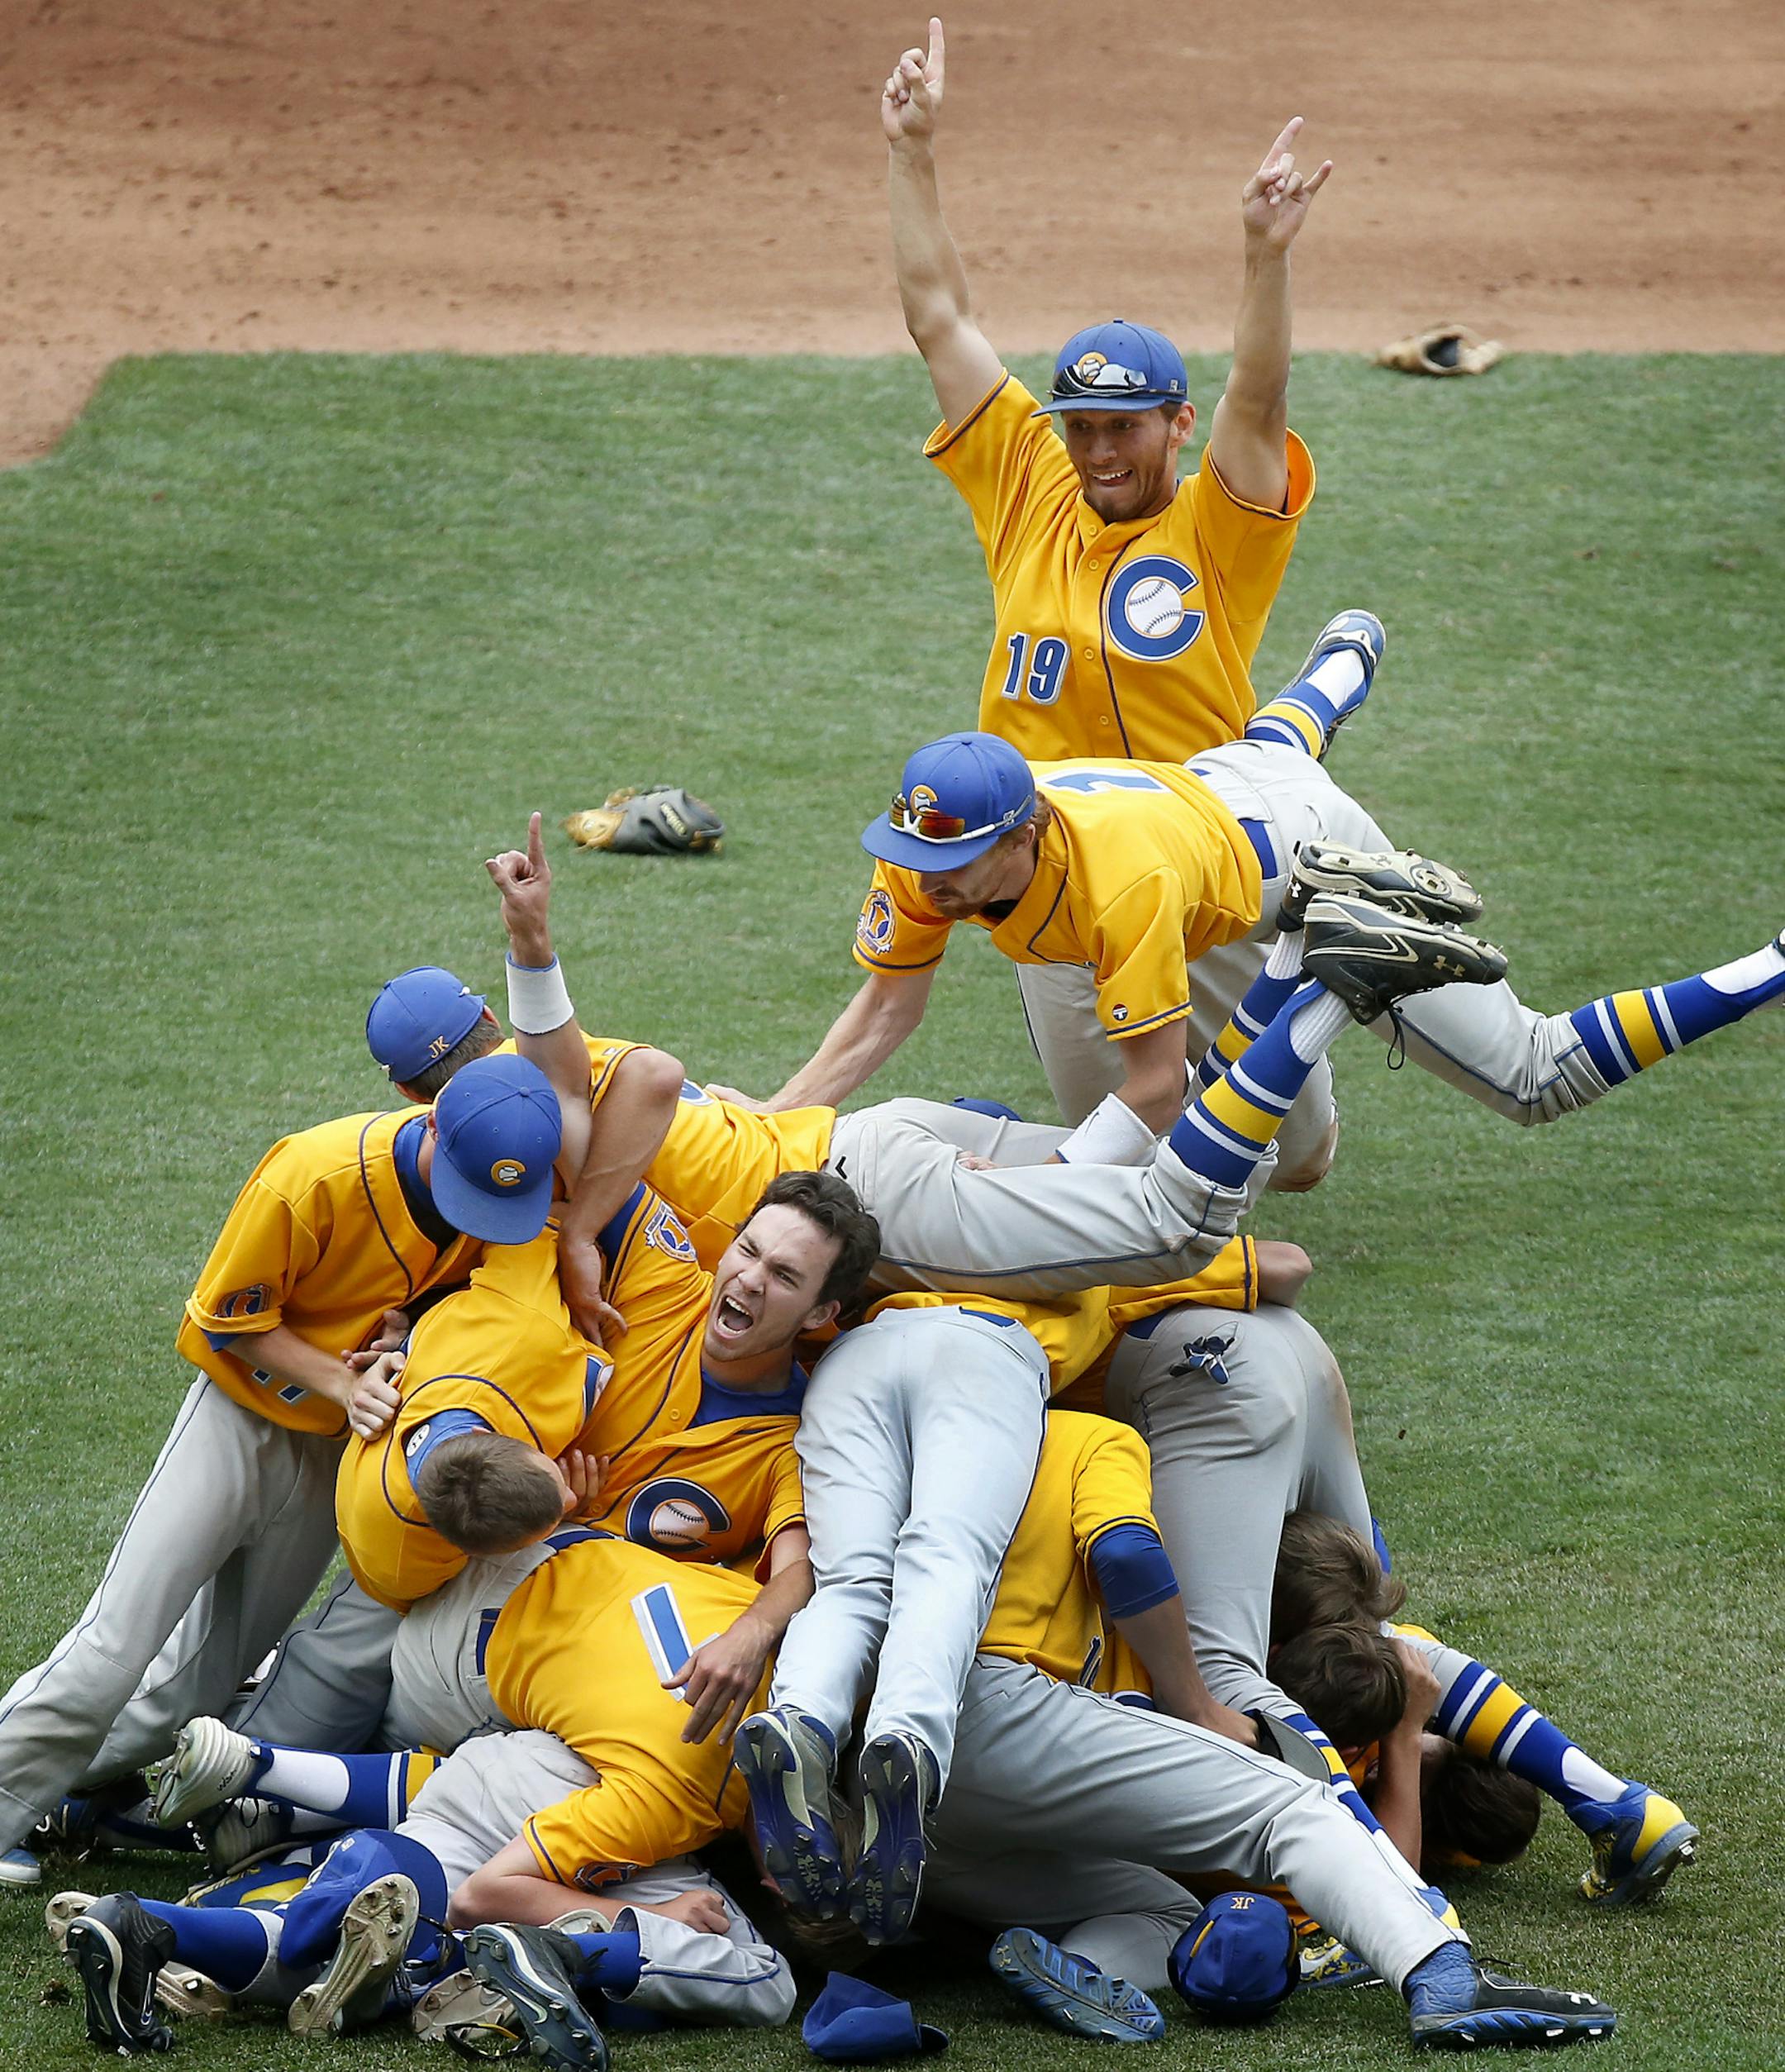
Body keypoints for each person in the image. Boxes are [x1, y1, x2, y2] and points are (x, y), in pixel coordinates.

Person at [0, 1051, 564, 1889]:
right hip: (240, 1420)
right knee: (115, 1645)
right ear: (434, 1121)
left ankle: (58, 1792)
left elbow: (437, 1291)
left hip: (334, 1451)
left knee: (198, 1680)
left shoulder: (501, 1182)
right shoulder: (313, 1172)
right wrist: (342, 1377)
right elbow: (223, 1319)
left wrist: (407, 1329)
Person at [764, 720, 1785, 1180]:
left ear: (1024, 834)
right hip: (1212, 812)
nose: (924, 882)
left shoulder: (1119, 880)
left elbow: (1156, 1086)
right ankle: (1304, 710)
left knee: (1533, 1076)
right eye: (915, 854)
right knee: (1226, 1169)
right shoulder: (929, 849)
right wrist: (773, 1125)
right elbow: (885, 1008)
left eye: (954, 861)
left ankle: (1773, 961)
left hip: (1295, 856)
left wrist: (1040, 1194)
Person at [880, 17, 1329, 768]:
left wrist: (1266, 254)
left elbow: (1256, 397)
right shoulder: (1030, 491)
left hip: (1182, 852)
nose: (1099, 451)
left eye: (1124, 428)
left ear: (1181, 422)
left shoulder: (1222, 531)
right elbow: (939, 318)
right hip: (1034, 853)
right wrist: (911, 152)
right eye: (1081, 427)